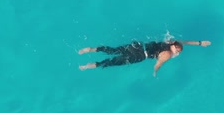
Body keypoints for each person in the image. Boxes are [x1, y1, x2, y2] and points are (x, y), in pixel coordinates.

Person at [78, 39, 211, 76]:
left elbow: (186, 42)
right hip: (140, 55)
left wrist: (200, 43)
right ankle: (89, 66)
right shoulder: (168, 55)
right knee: (113, 62)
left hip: (137, 46)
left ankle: (91, 49)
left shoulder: (172, 41)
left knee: (113, 50)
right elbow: (158, 64)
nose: (179, 53)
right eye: (179, 51)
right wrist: (155, 71)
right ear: (175, 49)